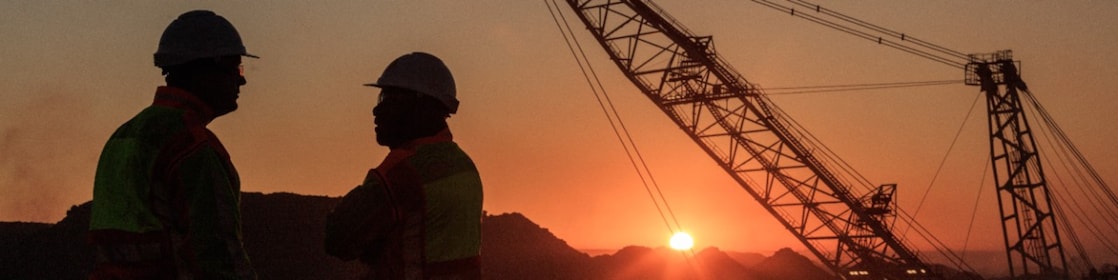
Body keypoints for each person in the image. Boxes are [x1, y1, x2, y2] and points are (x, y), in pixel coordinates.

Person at [88, 10, 258, 279]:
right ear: (204, 69)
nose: (241, 79)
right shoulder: (191, 145)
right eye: (234, 67)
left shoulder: (122, 137)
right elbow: (217, 257)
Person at [325, 52, 484, 280]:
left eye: (388, 98)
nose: (377, 110)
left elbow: (337, 239)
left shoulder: (402, 174)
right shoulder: (465, 167)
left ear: (419, 104)